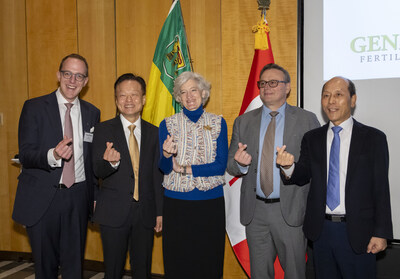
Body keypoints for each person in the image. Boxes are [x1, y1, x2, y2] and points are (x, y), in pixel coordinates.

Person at [276, 76, 393, 279]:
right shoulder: (312, 138)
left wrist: (381, 232)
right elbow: (303, 175)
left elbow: (381, 189)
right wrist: (288, 167)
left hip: (359, 232)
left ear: (353, 100)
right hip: (322, 232)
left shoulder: (373, 138)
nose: (331, 101)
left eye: (338, 95)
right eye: (326, 95)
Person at [227, 63, 320, 279]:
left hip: (290, 210)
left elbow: (316, 167)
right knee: (259, 273)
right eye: (263, 83)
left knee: (295, 273)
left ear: (287, 88)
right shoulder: (244, 121)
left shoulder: (307, 120)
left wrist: (292, 167)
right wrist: (240, 164)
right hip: (255, 211)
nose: (267, 87)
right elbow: (231, 165)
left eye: (273, 82)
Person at [12, 53, 100, 278]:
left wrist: (95, 195)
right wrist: (53, 154)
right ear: (58, 75)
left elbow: (91, 161)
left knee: (74, 265)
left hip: (78, 196)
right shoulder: (34, 107)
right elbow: (26, 153)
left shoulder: (92, 113)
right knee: (45, 265)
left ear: (86, 81)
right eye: (68, 74)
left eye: (79, 76)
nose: (73, 81)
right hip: (43, 197)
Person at [91, 73, 163, 279]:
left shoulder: (155, 132)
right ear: (116, 100)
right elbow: (96, 170)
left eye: (134, 95)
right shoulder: (102, 130)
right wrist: (110, 162)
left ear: (143, 99)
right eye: (122, 96)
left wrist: (160, 211)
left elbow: (157, 176)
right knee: (113, 271)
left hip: (145, 213)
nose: (128, 100)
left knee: (143, 270)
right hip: (113, 212)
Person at [159, 71, 228, 279]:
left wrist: (186, 168)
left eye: (194, 90)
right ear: (178, 97)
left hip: (210, 202)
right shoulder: (167, 124)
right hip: (177, 203)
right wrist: (165, 155)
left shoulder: (218, 123)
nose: (189, 96)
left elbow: (220, 165)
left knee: (209, 258)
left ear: (203, 93)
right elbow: (164, 168)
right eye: (183, 92)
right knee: (179, 259)